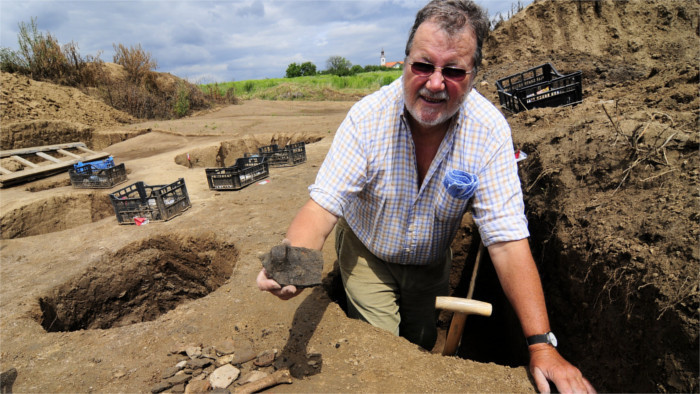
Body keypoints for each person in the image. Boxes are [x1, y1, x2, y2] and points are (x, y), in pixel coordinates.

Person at [258, 0, 595, 392]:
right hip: (369, 252)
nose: (435, 83)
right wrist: (292, 264)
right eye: (423, 66)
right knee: (383, 351)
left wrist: (541, 345)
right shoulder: (367, 120)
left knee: (418, 341)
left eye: (452, 71)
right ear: (405, 62)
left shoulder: (488, 133)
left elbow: (506, 242)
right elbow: (323, 206)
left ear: (473, 76)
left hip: (430, 259)